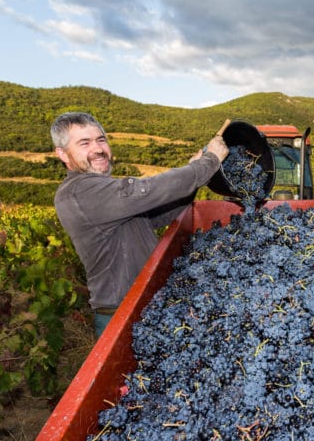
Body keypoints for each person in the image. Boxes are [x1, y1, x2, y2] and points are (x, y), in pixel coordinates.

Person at [51, 112, 229, 337]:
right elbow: (148, 190)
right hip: (122, 315)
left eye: (101, 140)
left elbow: (158, 214)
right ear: (62, 154)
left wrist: (193, 177)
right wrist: (208, 162)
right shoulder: (79, 192)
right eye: (84, 143)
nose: (97, 149)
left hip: (146, 305)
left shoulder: (103, 194)